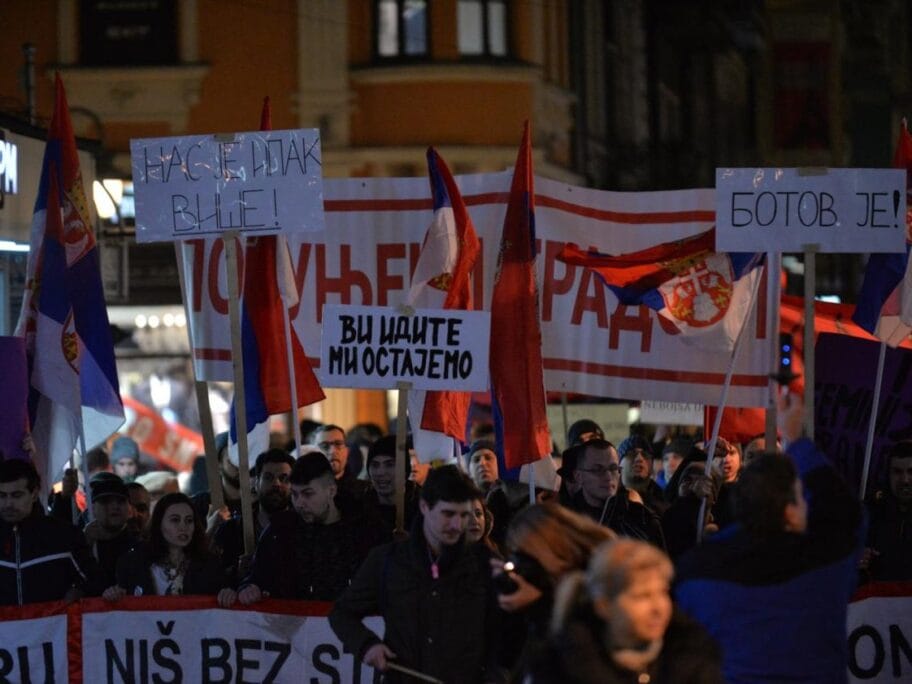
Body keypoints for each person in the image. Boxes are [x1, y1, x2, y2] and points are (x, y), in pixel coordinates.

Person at [675, 427, 864, 683]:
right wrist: (798, 440)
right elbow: (846, 514)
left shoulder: (696, 572)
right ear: (790, 509)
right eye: (801, 498)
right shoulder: (827, 562)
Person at [330, 465, 502, 683]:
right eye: (448, 514)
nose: (457, 525)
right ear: (424, 507)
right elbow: (342, 613)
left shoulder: (486, 563)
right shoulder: (387, 560)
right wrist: (367, 645)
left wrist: (497, 676)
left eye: (464, 515)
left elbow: (509, 634)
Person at [530, 539, 722, 683]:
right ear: (604, 606)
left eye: (662, 592)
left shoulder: (693, 656)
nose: (658, 607)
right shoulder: (560, 665)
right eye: (642, 596)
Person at [239, 452, 382, 603]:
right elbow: (258, 577)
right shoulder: (281, 531)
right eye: (294, 494)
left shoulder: (365, 531)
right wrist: (249, 587)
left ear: (331, 491)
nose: (299, 503)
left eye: (308, 494)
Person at [495, 504, 615, 681]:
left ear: (549, 543)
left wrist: (539, 607)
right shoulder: (545, 586)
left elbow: (576, 656)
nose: (522, 564)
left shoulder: (599, 584)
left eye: (525, 554)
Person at [103, 492, 235, 606]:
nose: (183, 527)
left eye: (189, 520)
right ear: (159, 524)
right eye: (175, 520)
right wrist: (113, 595)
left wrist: (227, 594)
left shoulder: (209, 565)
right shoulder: (132, 564)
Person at [0, 459, 102, 605]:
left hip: (54, 627)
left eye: (17, 495)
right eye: (2, 495)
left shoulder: (63, 536)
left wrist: (79, 591)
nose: (8, 503)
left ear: (34, 494)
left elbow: (95, 581)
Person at [212, 448, 294, 582]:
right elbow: (213, 578)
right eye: (268, 477)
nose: (276, 484)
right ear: (256, 482)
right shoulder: (232, 530)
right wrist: (235, 572)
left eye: (284, 478)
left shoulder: (303, 530)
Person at [568, 439, 665, 548]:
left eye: (613, 468)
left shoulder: (642, 518)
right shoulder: (565, 522)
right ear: (578, 476)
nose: (608, 476)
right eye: (597, 470)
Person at [862, 439, 912, 581]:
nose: (905, 480)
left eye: (911, 471)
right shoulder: (868, 513)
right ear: (887, 474)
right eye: (897, 472)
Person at [467, 439, 527, 547]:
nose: (482, 463)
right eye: (476, 460)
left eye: (488, 458)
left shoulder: (514, 500)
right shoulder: (463, 504)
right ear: (469, 471)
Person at [84, 473, 139, 587]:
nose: (115, 506)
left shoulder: (141, 547)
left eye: (121, 501)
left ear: (130, 509)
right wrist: (85, 548)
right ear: (93, 509)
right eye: (105, 501)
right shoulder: (82, 546)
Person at [363, 436, 420, 535]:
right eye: (375, 465)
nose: (381, 472)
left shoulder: (423, 507)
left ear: (405, 469)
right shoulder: (360, 510)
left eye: (390, 465)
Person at [310, 424, 369, 514]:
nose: (333, 451)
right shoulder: (307, 492)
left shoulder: (365, 490)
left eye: (338, 444)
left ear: (347, 451)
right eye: (324, 446)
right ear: (312, 452)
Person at [617, 435, 667, 515]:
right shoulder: (609, 499)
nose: (639, 459)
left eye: (645, 455)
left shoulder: (664, 503)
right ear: (619, 463)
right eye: (632, 454)